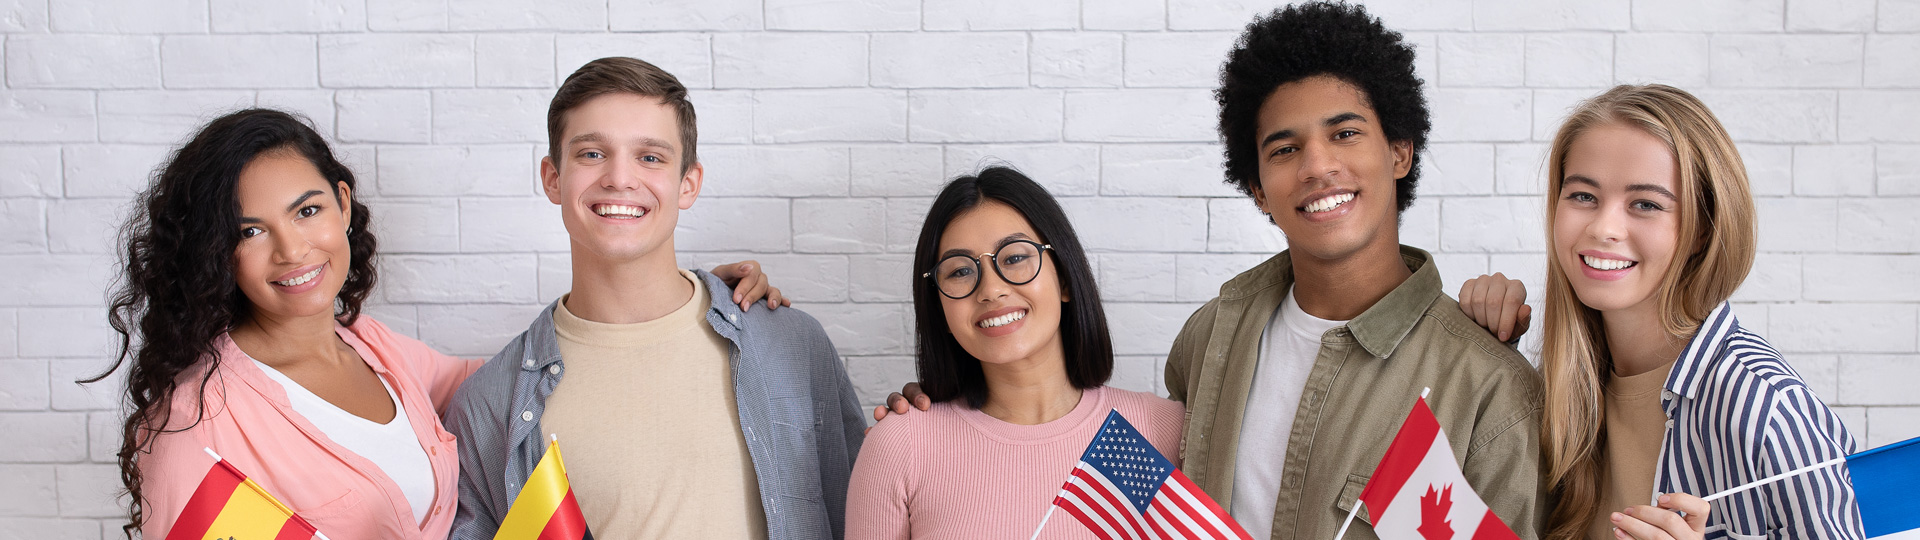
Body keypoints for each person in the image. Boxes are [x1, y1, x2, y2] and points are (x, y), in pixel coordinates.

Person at [880, 4, 1547, 539]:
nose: (1317, 166)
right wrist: (937, 418)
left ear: (1400, 150)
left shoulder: (1487, 385)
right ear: (1257, 188)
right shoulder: (1209, 342)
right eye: (1285, 149)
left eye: (1345, 134)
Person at [90, 107, 782, 540]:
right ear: (217, 250)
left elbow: (533, 382)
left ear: (340, 202)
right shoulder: (193, 429)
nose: (293, 250)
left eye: (306, 212)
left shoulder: (378, 354)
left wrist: (681, 300)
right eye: (250, 230)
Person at [442, 57, 865, 540]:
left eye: (650, 157)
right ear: (553, 178)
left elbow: (870, 512)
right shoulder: (491, 404)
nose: (620, 178)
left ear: (689, 183)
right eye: (591, 154)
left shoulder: (791, 346)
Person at [1456, 85, 1862, 540]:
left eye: (1645, 204)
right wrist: (1488, 347)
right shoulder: (1566, 382)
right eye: (1583, 196)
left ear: (1704, 229)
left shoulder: (1764, 406)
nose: (1604, 227)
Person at [846, 167, 1185, 539]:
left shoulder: (1161, 431)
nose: (991, 289)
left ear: (1065, 280)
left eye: (1013, 258)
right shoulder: (901, 446)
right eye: (960, 271)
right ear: (939, 308)